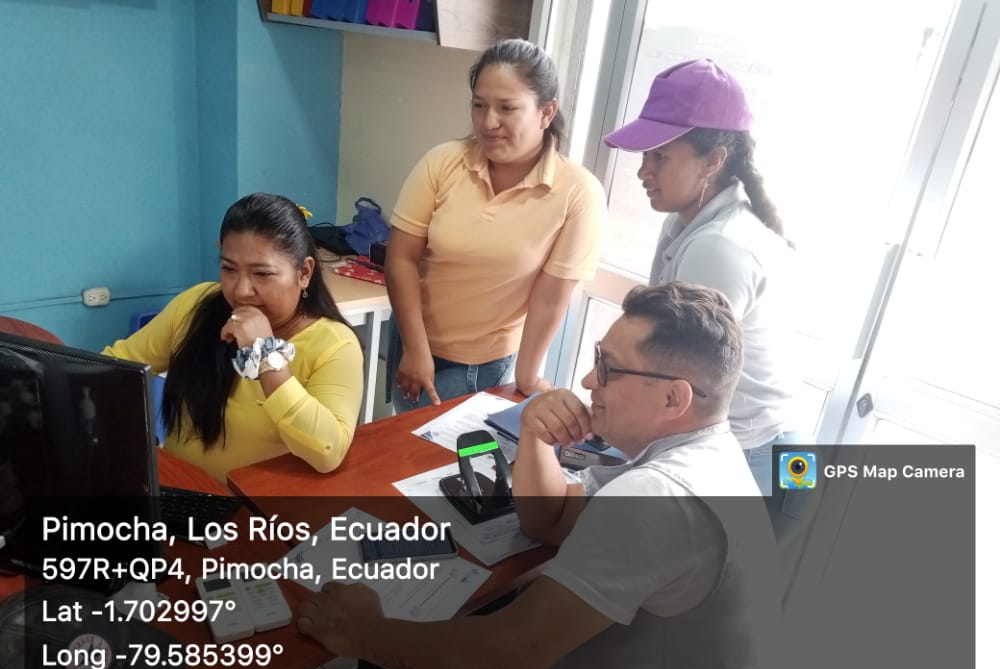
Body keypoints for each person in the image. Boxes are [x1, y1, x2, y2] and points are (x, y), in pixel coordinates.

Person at [298, 282, 780, 669]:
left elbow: (505, 658)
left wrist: (361, 631)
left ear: (674, 398)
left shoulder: (659, 496)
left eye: (608, 369)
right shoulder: (703, 455)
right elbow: (549, 522)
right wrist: (534, 434)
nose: (589, 382)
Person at [603, 59, 808, 500]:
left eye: (660, 156)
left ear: (713, 161)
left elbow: (674, 378)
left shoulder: (718, 246)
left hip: (767, 457)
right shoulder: (687, 223)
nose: (643, 171)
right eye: (644, 155)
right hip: (772, 445)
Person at [385, 38, 606, 414]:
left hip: (486, 367)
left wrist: (527, 377)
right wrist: (415, 349)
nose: (488, 123)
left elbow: (551, 296)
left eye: (507, 108)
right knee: (401, 448)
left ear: (546, 112)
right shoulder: (443, 162)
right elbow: (401, 258)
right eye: (479, 105)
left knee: (472, 453)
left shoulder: (578, 192)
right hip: (413, 345)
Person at [103, 192, 364, 483]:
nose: (241, 290)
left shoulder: (335, 345)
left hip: (261, 504)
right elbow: (117, 366)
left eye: (262, 274)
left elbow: (328, 453)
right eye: (228, 269)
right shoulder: (196, 305)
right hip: (183, 488)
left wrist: (266, 356)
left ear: (304, 273)